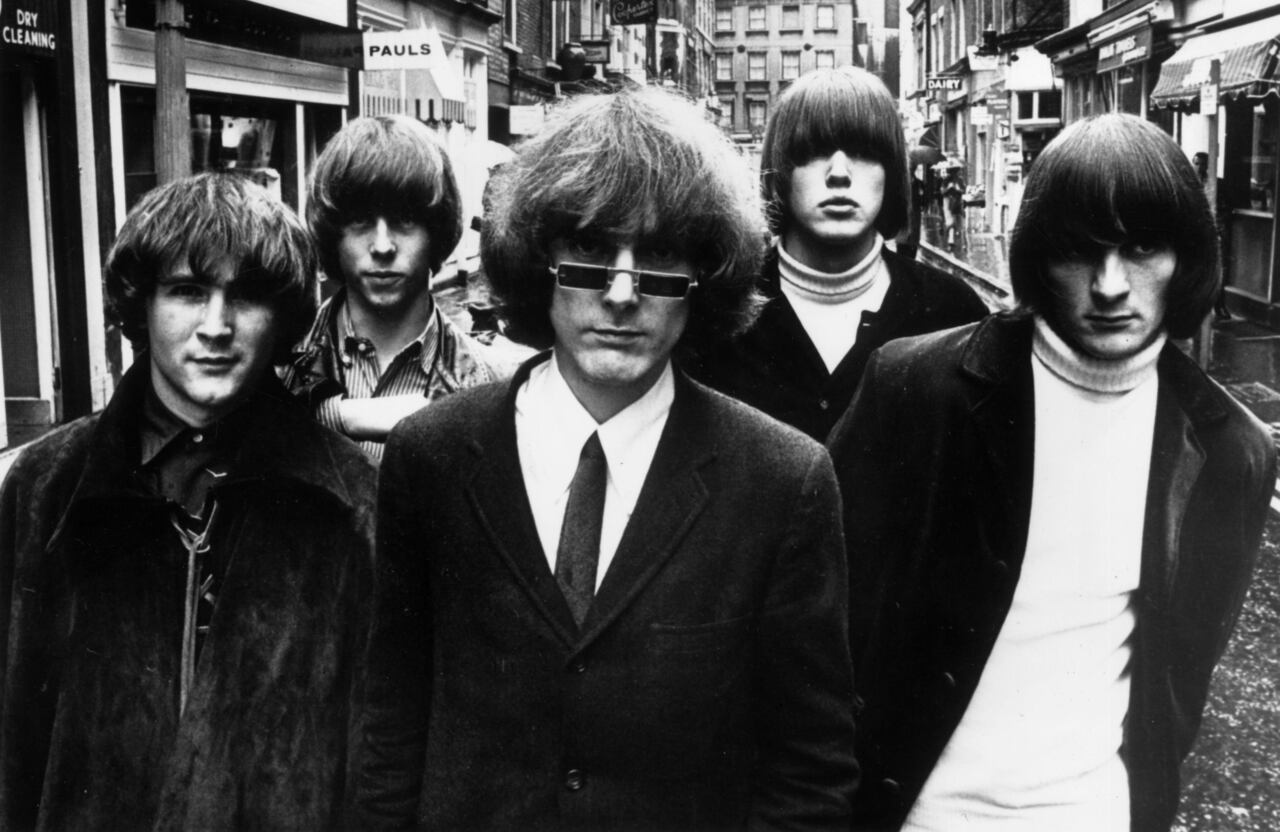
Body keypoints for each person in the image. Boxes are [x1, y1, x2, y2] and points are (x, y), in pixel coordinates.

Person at [353, 86, 857, 831]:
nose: (622, 293)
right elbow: (391, 732)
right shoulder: (433, 457)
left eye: (659, 256)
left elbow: (809, 772)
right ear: (539, 261)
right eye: (590, 249)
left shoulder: (782, 481)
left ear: (703, 278)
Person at [827, 114, 1275, 832]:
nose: (1109, 285)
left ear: (1186, 257)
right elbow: (819, 624)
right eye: (1078, 250)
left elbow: (1178, 683)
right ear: (1039, 257)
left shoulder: (1230, 451)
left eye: (1142, 248)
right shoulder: (919, 390)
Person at [0, 173, 376, 829]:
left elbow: (375, 758)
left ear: (283, 316)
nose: (216, 326)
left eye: (247, 296)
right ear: (141, 304)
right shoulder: (44, 488)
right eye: (188, 291)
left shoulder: (349, 503)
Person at [686, 66, 986, 441]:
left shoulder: (953, 311)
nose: (839, 174)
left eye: (864, 153)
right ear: (780, 172)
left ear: (891, 173)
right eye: (814, 152)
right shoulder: (719, 308)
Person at [283, 114, 498, 460]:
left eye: (405, 220)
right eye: (360, 221)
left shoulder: (491, 384)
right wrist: (334, 415)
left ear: (436, 231)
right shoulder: (277, 366)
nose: (382, 246)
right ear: (333, 234)